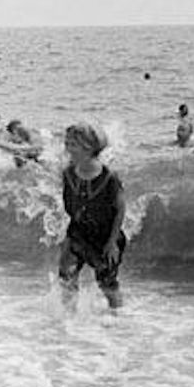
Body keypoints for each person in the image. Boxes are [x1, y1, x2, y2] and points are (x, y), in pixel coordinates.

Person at [57, 123, 129, 312]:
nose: (67, 149)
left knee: (106, 283)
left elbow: (120, 210)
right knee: (66, 275)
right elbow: (71, 205)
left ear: (88, 148)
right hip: (78, 233)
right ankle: (70, 318)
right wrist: (68, 237)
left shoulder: (109, 178)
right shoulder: (68, 174)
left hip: (105, 237)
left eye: (72, 145)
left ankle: (118, 317)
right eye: (67, 143)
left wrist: (112, 243)